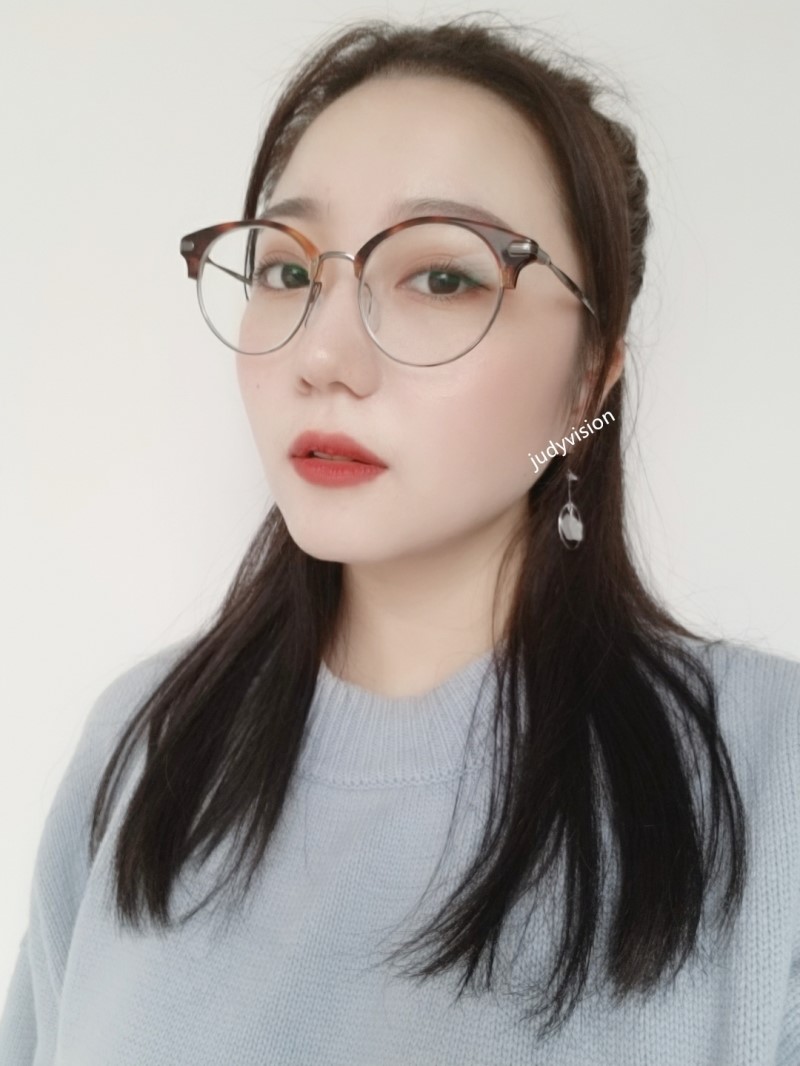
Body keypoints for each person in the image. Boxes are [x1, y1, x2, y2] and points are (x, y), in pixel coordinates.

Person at [1, 12, 798, 1065]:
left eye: (441, 277)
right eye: (288, 272)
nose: (322, 354)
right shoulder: (140, 746)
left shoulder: (772, 772)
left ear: (590, 376)